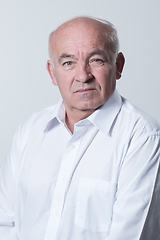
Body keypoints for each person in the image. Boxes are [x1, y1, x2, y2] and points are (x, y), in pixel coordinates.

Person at [0, 16, 160, 240]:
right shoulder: (29, 131)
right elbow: (5, 223)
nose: (83, 76)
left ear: (118, 65)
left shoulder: (143, 137)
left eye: (96, 60)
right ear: (52, 72)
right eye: (68, 63)